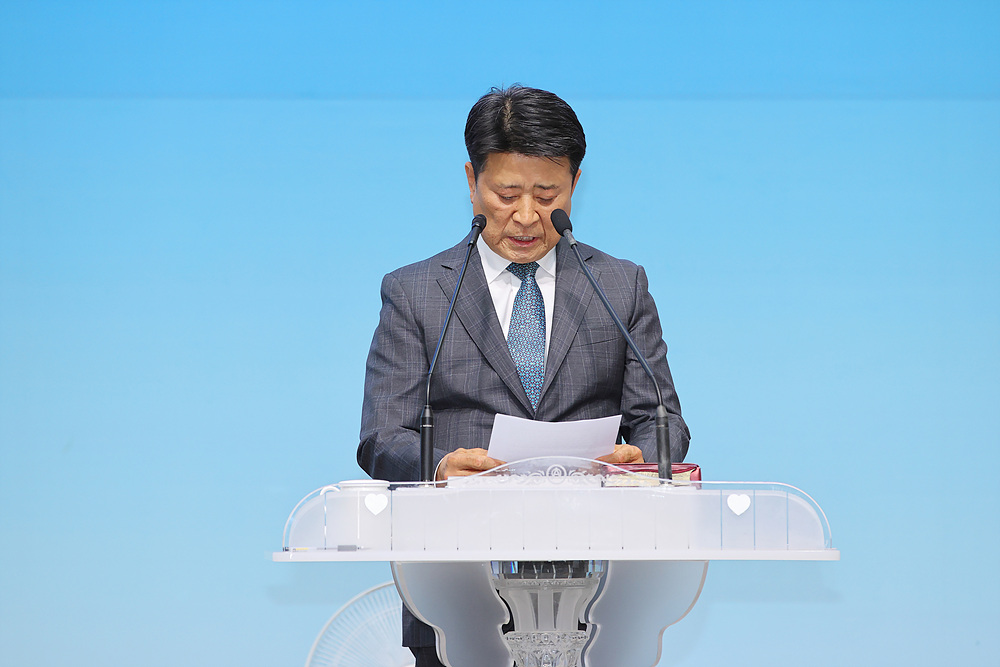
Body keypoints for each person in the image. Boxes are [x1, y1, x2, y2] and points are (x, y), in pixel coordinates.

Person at [357, 85, 689, 667]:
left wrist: (638, 461)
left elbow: (664, 424)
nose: (528, 216)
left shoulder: (620, 287)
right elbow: (382, 437)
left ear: (575, 183)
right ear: (472, 182)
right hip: (456, 590)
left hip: (600, 593)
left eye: (547, 194)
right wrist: (439, 466)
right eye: (507, 194)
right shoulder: (416, 293)